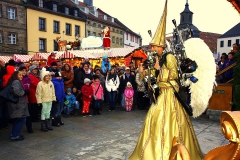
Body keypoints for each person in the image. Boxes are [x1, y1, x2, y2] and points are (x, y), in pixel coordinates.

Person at [128, 1, 203, 159]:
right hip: (161, 94)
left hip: (169, 96)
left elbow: (174, 76)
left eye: (154, 46)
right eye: (152, 46)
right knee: (154, 121)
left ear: (161, 46)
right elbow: (153, 78)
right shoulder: (158, 59)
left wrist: (157, 70)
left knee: (171, 123)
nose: (152, 49)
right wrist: (143, 72)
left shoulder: (169, 57)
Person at [7, 71, 29, 141]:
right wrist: (24, 92)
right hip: (18, 104)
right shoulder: (16, 82)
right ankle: (14, 135)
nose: (21, 76)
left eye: (22, 75)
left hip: (17, 104)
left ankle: (14, 133)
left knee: (18, 119)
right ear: (15, 75)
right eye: (19, 75)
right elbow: (17, 92)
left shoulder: (14, 81)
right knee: (21, 119)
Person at [18, 66, 33, 133]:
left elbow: (27, 87)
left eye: (25, 70)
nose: (24, 72)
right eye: (22, 70)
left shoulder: (28, 78)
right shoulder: (17, 79)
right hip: (18, 99)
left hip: (25, 98)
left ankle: (29, 128)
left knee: (27, 114)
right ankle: (16, 130)